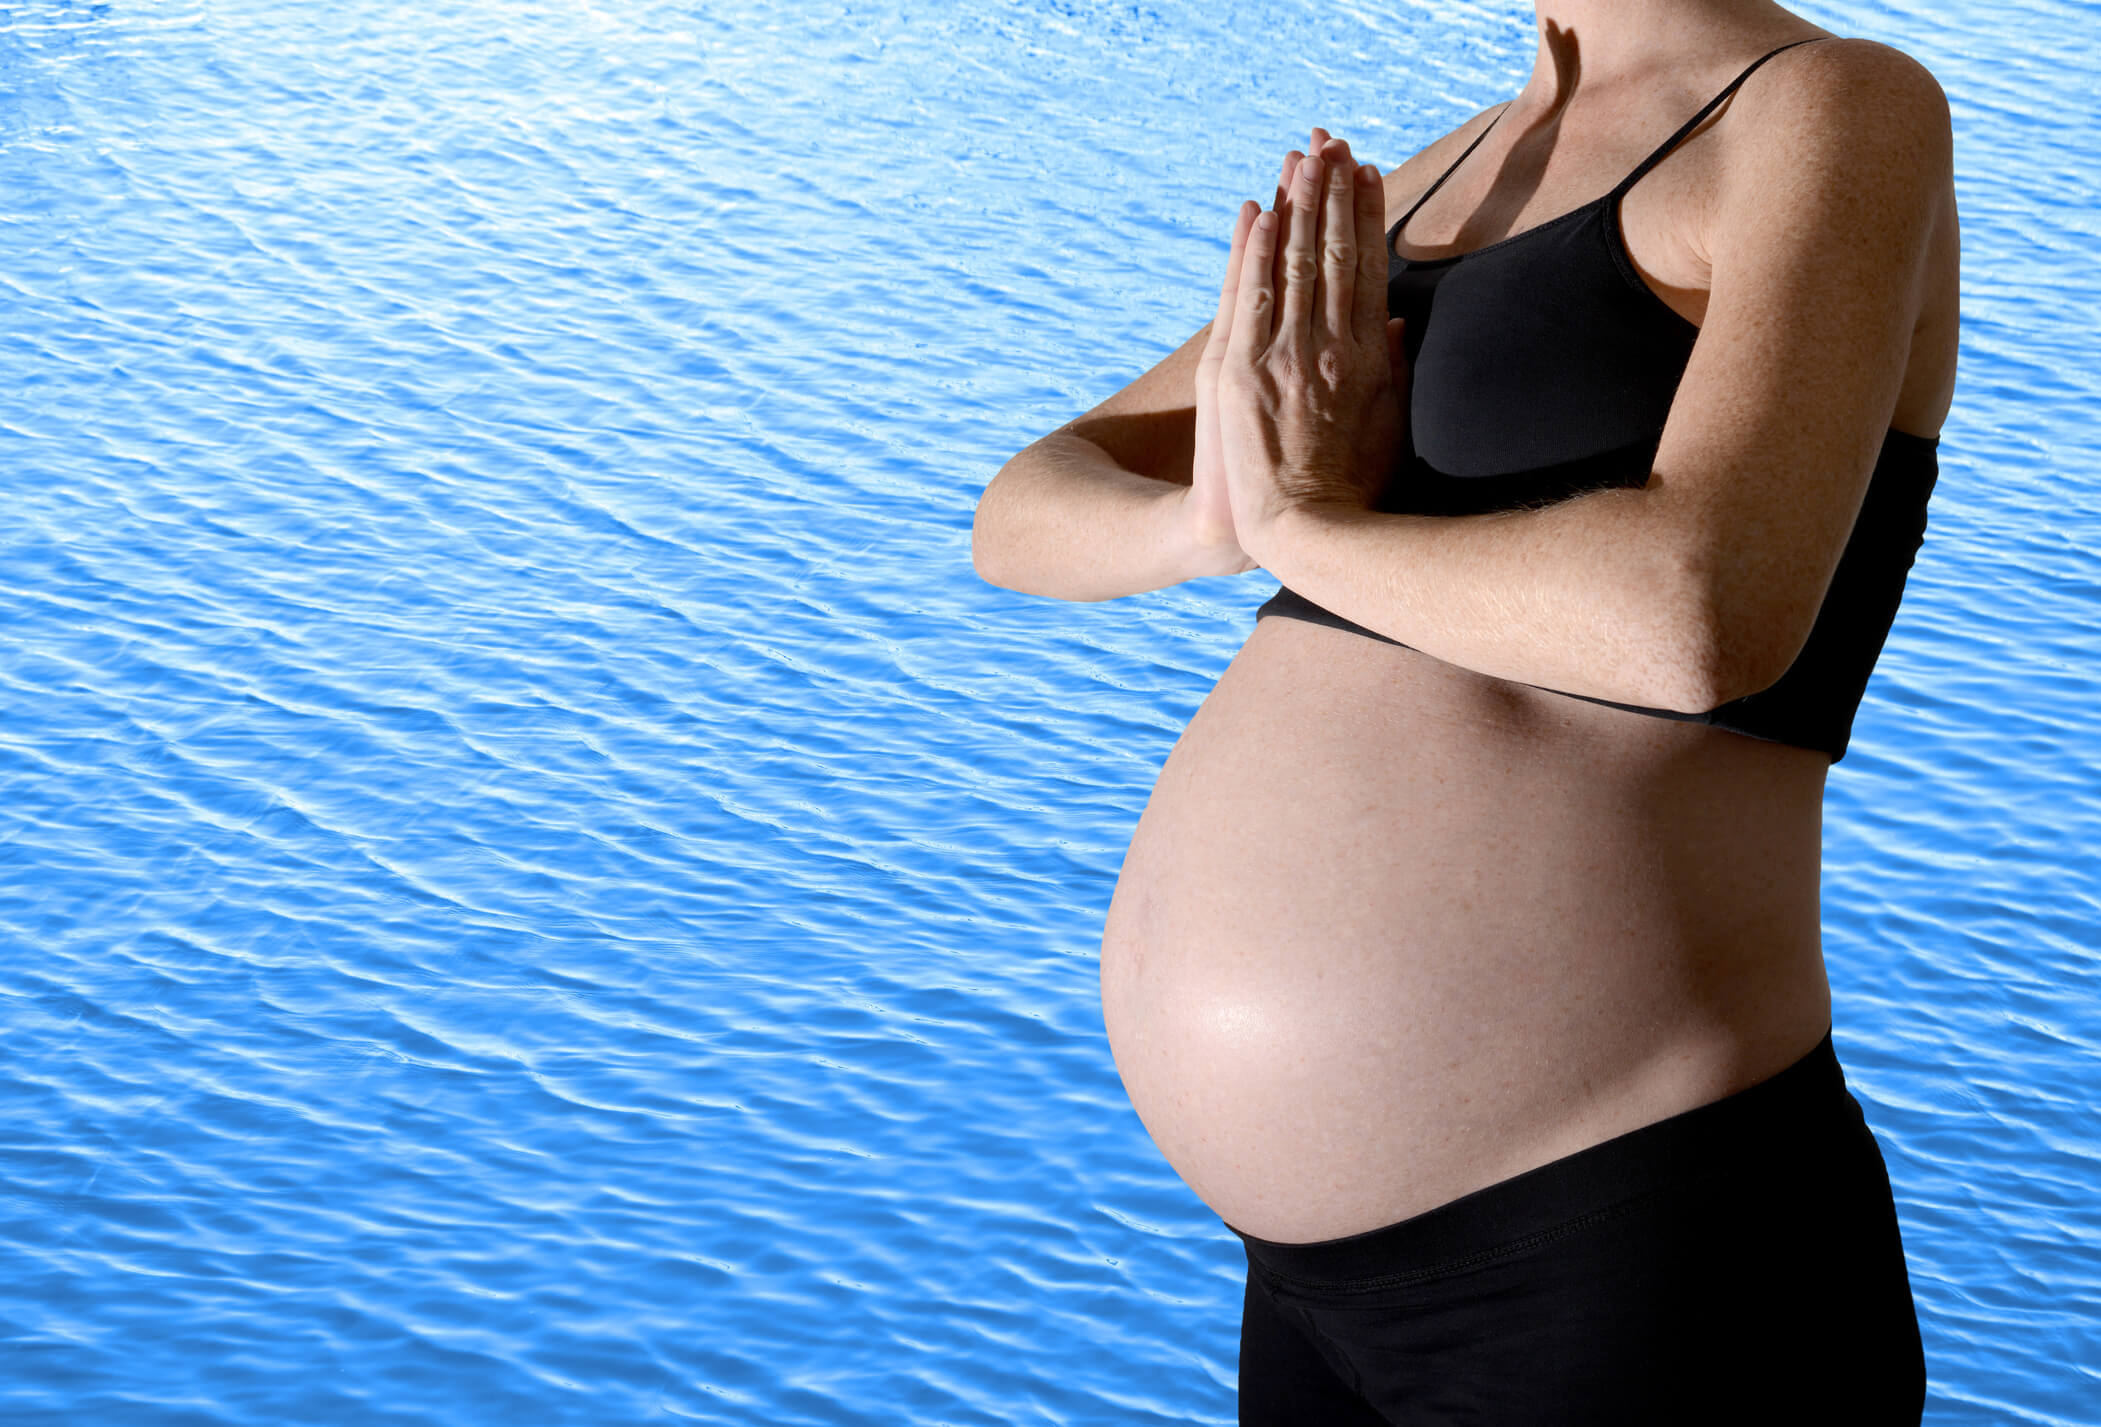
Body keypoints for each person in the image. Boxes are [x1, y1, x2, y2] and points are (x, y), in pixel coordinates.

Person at [972, 0, 1956, 1419]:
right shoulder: (1447, 174)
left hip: (1632, 1255)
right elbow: (1025, 508)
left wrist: (1302, 523)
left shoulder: (1826, 109)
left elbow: (1698, 621)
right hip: (1313, 1295)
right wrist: (1213, 520)